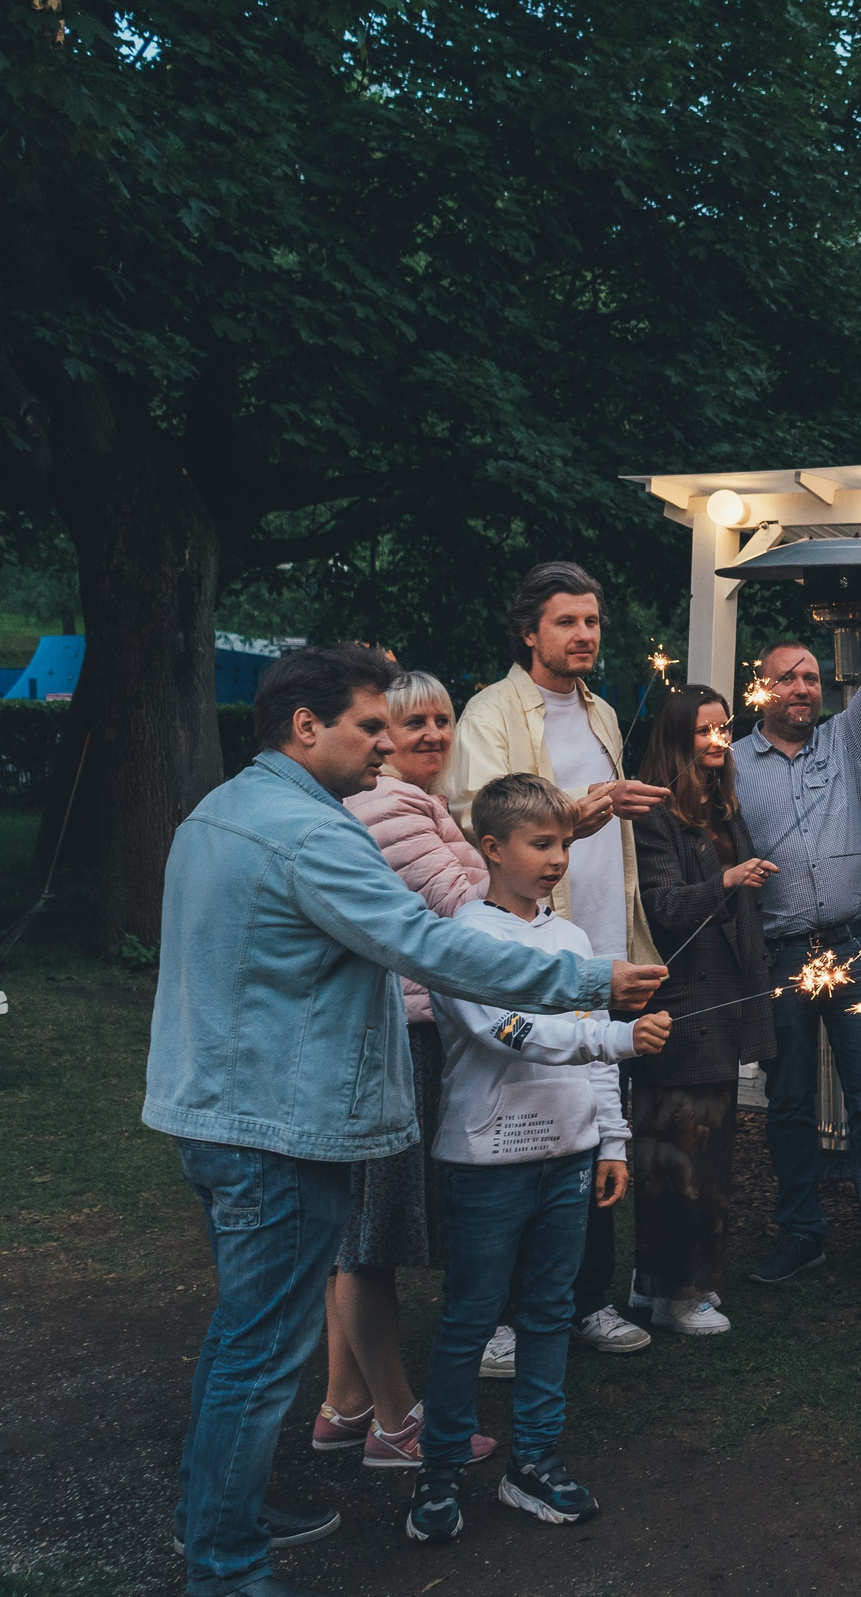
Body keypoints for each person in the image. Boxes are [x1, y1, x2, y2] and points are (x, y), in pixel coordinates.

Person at [144, 644, 663, 1597]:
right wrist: (589, 979)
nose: (389, 743)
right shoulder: (313, 835)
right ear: (308, 727)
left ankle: (213, 1511)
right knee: (260, 1355)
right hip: (277, 1125)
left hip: (215, 1110)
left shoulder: (219, 810)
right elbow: (429, 943)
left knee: (243, 1337)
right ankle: (223, 1567)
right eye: (370, 726)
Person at [406, 774, 675, 1545]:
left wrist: (611, 1139)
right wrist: (618, 1035)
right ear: (492, 847)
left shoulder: (572, 941)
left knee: (550, 1313)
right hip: (488, 1162)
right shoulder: (462, 936)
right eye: (542, 842)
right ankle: (440, 1470)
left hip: (569, 1157)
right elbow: (511, 1032)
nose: (560, 857)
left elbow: (591, 1063)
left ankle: (534, 1461)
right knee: (467, 1320)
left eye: (564, 842)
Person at [447, 560, 666, 1363]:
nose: (584, 634)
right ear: (529, 630)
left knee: (595, 1113)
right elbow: (477, 818)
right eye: (567, 621)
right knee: (530, 1111)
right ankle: (501, 1315)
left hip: (600, 933)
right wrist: (578, 812)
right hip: (531, 941)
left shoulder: (604, 711)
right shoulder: (491, 710)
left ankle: (584, 1299)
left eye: (592, 621)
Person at [733, 526, 861, 1297]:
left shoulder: (849, 742)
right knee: (785, 1103)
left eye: (812, 676)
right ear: (762, 689)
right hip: (781, 954)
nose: (803, 687)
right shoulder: (732, 767)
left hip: (853, 950)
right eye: (787, 677)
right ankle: (802, 1233)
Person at [320, 671, 497, 1471]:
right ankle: (397, 1423)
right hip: (399, 1035)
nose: (430, 733)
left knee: (358, 1229)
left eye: (441, 719)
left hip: (384, 1030)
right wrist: (552, 832)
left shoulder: (409, 803)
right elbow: (473, 907)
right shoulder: (393, 806)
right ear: (382, 735)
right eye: (411, 721)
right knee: (373, 1234)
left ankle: (343, 1404)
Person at [631, 686, 780, 1335]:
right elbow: (661, 905)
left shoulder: (724, 808)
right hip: (679, 1007)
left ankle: (662, 1280)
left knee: (709, 1149)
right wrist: (725, 879)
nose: (719, 740)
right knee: (676, 1155)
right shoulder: (655, 812)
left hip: (724, 1004)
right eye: (704, 731)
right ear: (675, 737)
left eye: (725, 729)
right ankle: (675, 1293)